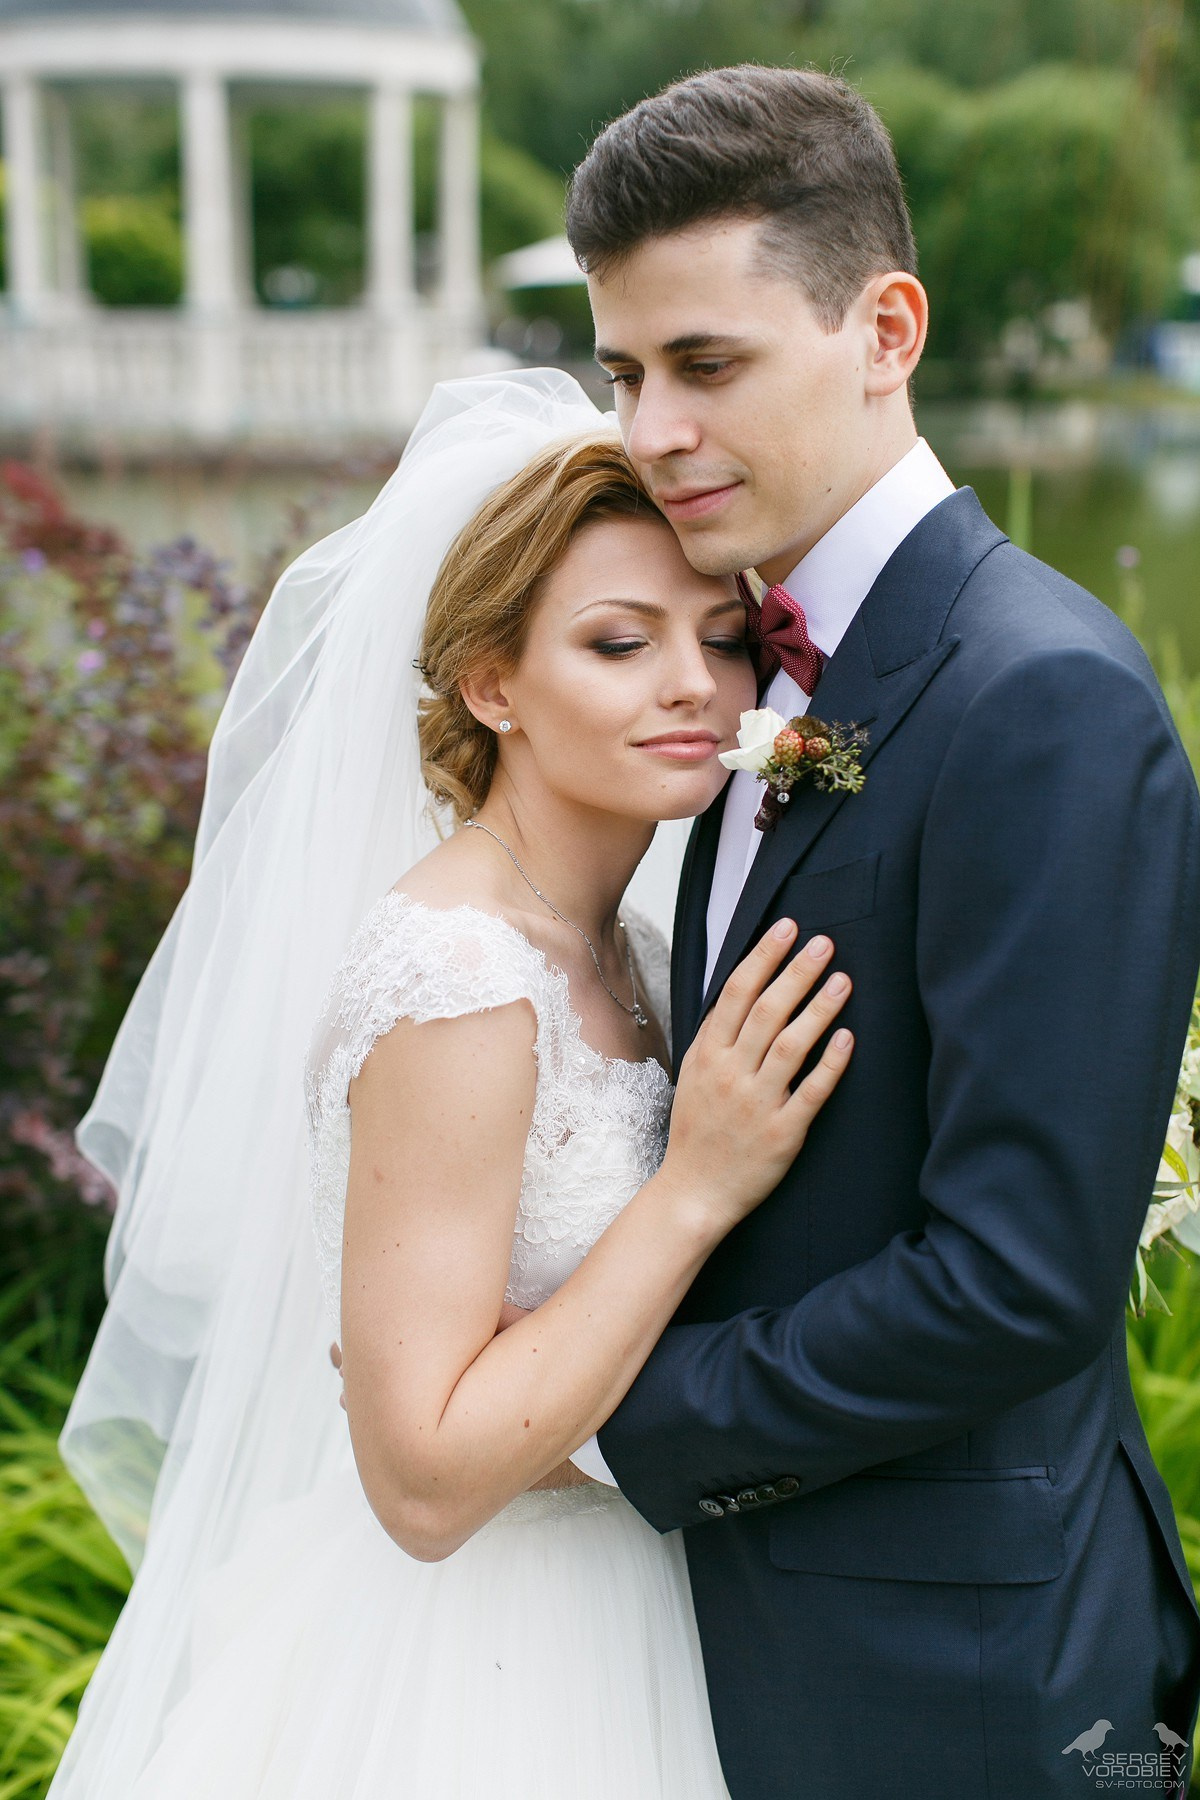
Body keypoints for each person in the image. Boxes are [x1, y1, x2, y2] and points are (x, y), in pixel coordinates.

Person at [539, 61, 1200, 1798]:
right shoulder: (740, 662)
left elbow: (1022, 1277)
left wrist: (616, 1424)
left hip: (956, 1667)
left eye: (706, 365)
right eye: (624, 372)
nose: (651, 430)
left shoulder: (1042, 697)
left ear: (886, 328)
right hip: (745, 1636)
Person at [49, 378, 854, 1798]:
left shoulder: (646, 952)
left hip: (660, 1603)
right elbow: (421, 1481)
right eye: (619, 642)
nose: (694, 686)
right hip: (489, 1663)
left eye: (724, 641)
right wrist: (693, 1187)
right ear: (494, 685)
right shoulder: (460, 976)